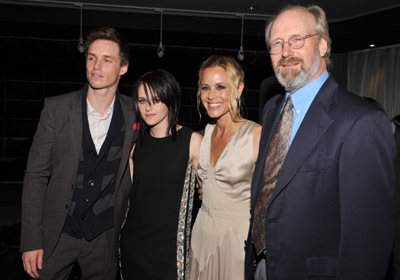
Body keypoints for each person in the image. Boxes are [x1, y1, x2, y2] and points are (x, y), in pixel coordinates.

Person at [245, 5, 396, 280]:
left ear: (323, 45)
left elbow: (368, 245)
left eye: (297, 40)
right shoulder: (272, 109)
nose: (286, 51)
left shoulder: (362, 121)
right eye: (277, 44)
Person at [20, 27, 137, 279]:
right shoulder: (56, 109)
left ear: (123, 68)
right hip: (57, 233)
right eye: (92, 57)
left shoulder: (136, 114)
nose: (96, 66)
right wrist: (31, 239)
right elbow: (36, 175)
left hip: (105, 237)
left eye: (107, 60)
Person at [120, 69, 202, 279]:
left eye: (155, 100)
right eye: (142, 100)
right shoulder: (135, 146)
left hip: (170, 251)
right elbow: (132, 198)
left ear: (169, 100)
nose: (148, 107)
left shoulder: (192, 142)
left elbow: (210, 196)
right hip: (134, 247)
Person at [189, 55, 262, 279]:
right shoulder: (204, 134)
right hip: (201, 232)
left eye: (221, 87)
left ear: (238, 89)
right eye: (205, 88)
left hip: (236, 239)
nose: (211, 96)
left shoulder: (256, 135)